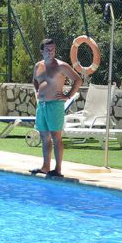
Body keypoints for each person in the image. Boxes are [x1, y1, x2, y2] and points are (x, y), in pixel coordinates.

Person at [31, 38, 82, 177]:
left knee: (55, 136)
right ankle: (45, 167)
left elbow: (78, 80)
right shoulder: (38, 66)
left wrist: (69, 95)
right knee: (44, 136)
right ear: (41, 51)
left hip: (55, 105)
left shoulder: (61, 66)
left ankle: (58, 169)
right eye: (47, 49)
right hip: (42, 105)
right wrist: (37, 91)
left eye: (52, 49)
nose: (50, 51)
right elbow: (35, 80)